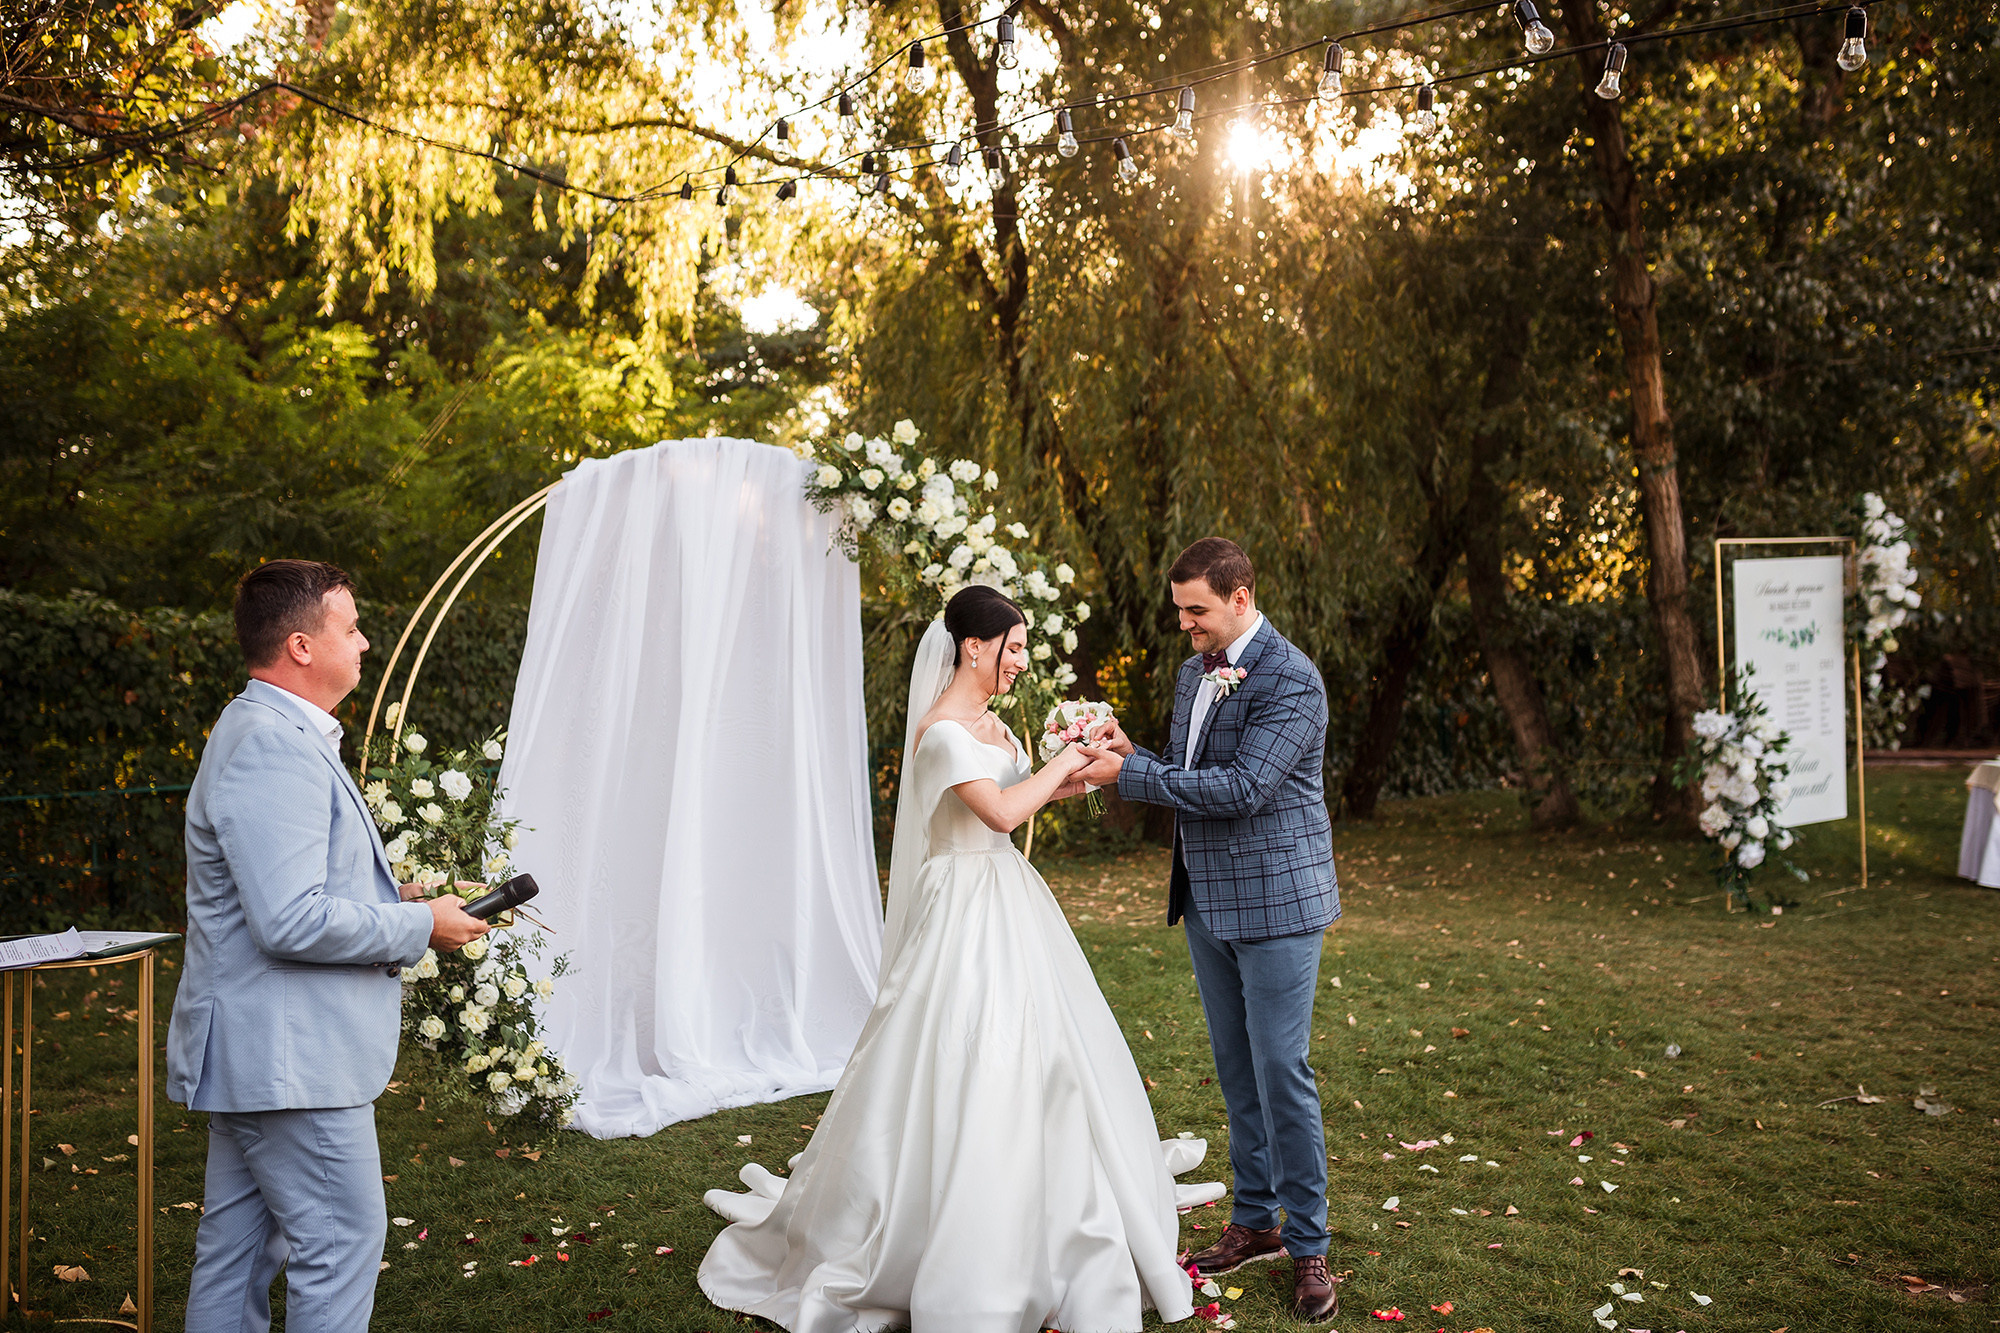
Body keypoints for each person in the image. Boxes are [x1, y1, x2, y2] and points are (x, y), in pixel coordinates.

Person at [699, 584, 1221, 1333]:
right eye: (1012, 648)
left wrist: (1087, 767)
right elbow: (1003, 812)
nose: (1019, 662)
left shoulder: (995, 726)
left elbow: (1026, 799)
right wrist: (1063, 758)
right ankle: (943, 1215)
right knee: (958, 1047)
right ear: (973, 646)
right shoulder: (941, 732)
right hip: (960, 904)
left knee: (1048, 1051)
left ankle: (1049, 1200)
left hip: (1008, 893)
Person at [167, 560, 489, 1331]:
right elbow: (288, 920)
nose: (367, 641)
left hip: (268, 1053)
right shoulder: (271, 743)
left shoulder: (270, 731)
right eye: (351, 627)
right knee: (340, 1240)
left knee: (240, 1249)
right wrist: (422, 927)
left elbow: (285, 895)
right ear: (304, 645)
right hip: (290, 1060)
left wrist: (394, 899)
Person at [1076, 538, 1341, 1323]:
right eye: (1180, 609)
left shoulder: (1292, 678)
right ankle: (1256, 1219)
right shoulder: (1198, 670)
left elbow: (1245, 787)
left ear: (1240, 596)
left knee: (1282, 1070)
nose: (1185, 624)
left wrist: (1129, 774)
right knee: (1236, 1068)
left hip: (1279, 904)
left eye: (1196, 610)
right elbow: (1192, 773)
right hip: (1209, 900)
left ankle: (1311, 1245)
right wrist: (1136, 752)